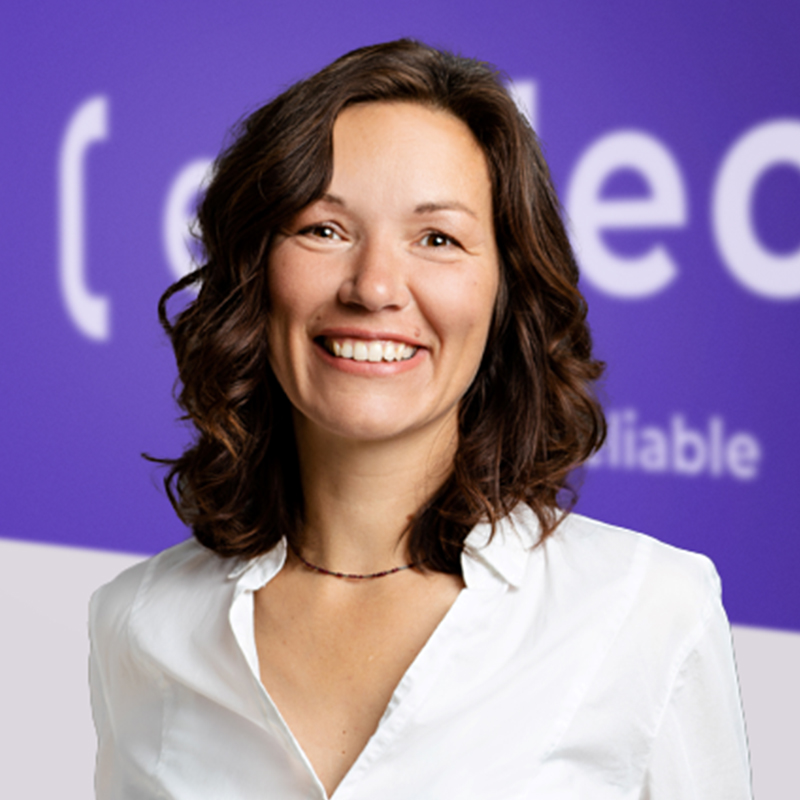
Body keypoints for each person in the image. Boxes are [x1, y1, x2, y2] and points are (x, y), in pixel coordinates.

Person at [89, 39, 752, 799]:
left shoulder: (648, 610)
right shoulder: (136, 624)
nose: (373, 287)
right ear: (254, 274)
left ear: (505, 296)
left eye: (438, 239)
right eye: (324, 229)